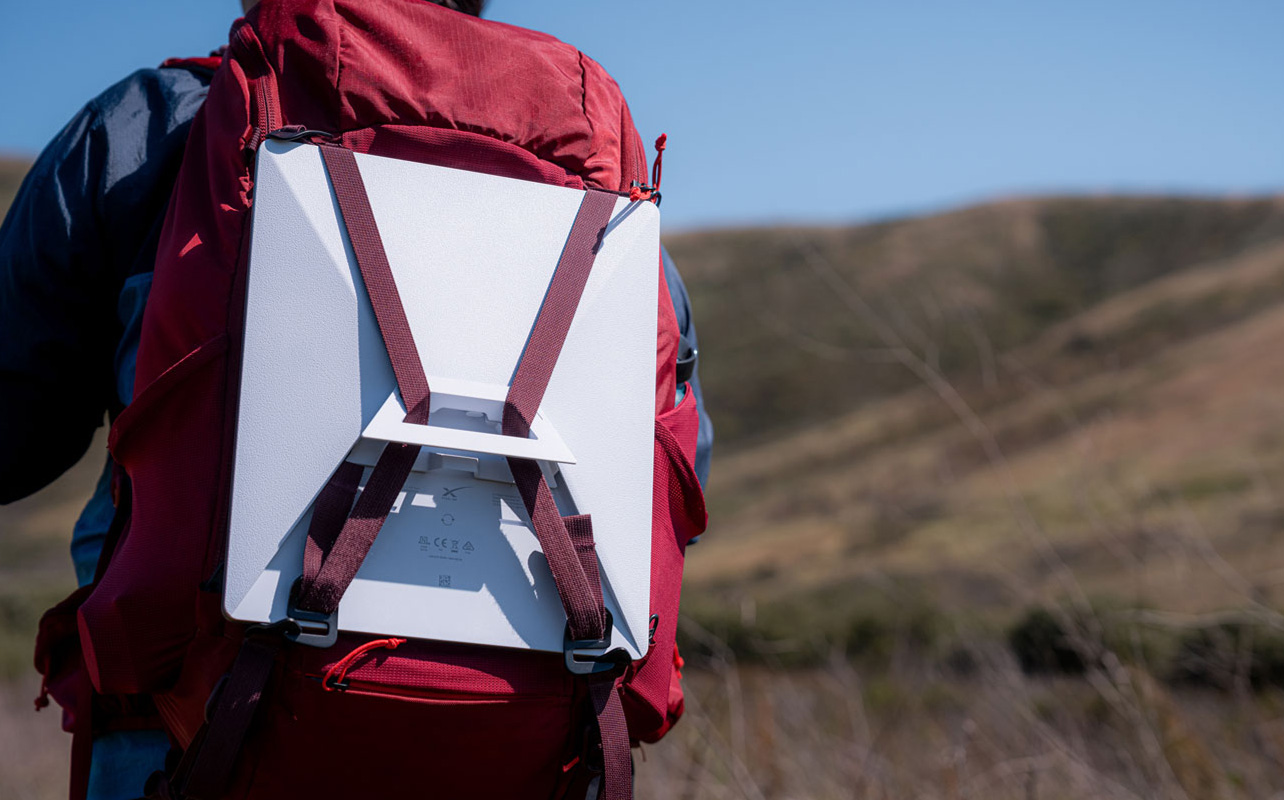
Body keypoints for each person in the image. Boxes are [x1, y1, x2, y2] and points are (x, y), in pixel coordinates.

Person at [0, 1, 711, 797]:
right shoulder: (602, 183)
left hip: (187, 739)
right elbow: (676, 480)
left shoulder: (154, 130)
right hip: (530, 745)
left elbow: (15, 436)